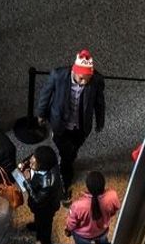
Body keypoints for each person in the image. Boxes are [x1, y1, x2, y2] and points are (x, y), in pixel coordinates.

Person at [35, 49, 106, 194]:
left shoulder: (97, 80)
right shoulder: (58, 75)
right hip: (60, 123)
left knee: (74, 147)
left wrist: (100, 121)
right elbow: (45, 95)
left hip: (81, 126)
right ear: (74, 71)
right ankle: (66, 172)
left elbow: (99, 102)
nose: (84, 82)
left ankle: (68, 160)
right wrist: (41, 114)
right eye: (81, 78)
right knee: (66, 152)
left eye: (87, 79)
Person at [65, 171, 119, 244]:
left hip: (83, 236)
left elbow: (71, 224)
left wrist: (68, 229)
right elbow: (115, 210)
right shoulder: (112, 196)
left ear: (88, 187)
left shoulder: (78, 205)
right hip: (102, 231)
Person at [19, 146, 64, 244]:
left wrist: (27, 181)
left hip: (45, 208)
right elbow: (33, 157)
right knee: (40, 221)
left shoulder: (48, 183)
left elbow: (37, 199)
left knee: (44, 226)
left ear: (42, 166)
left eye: (33, 164)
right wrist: (24, 163)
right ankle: (37, 224)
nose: (30, 163)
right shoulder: (43, 159)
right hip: (42, 204)